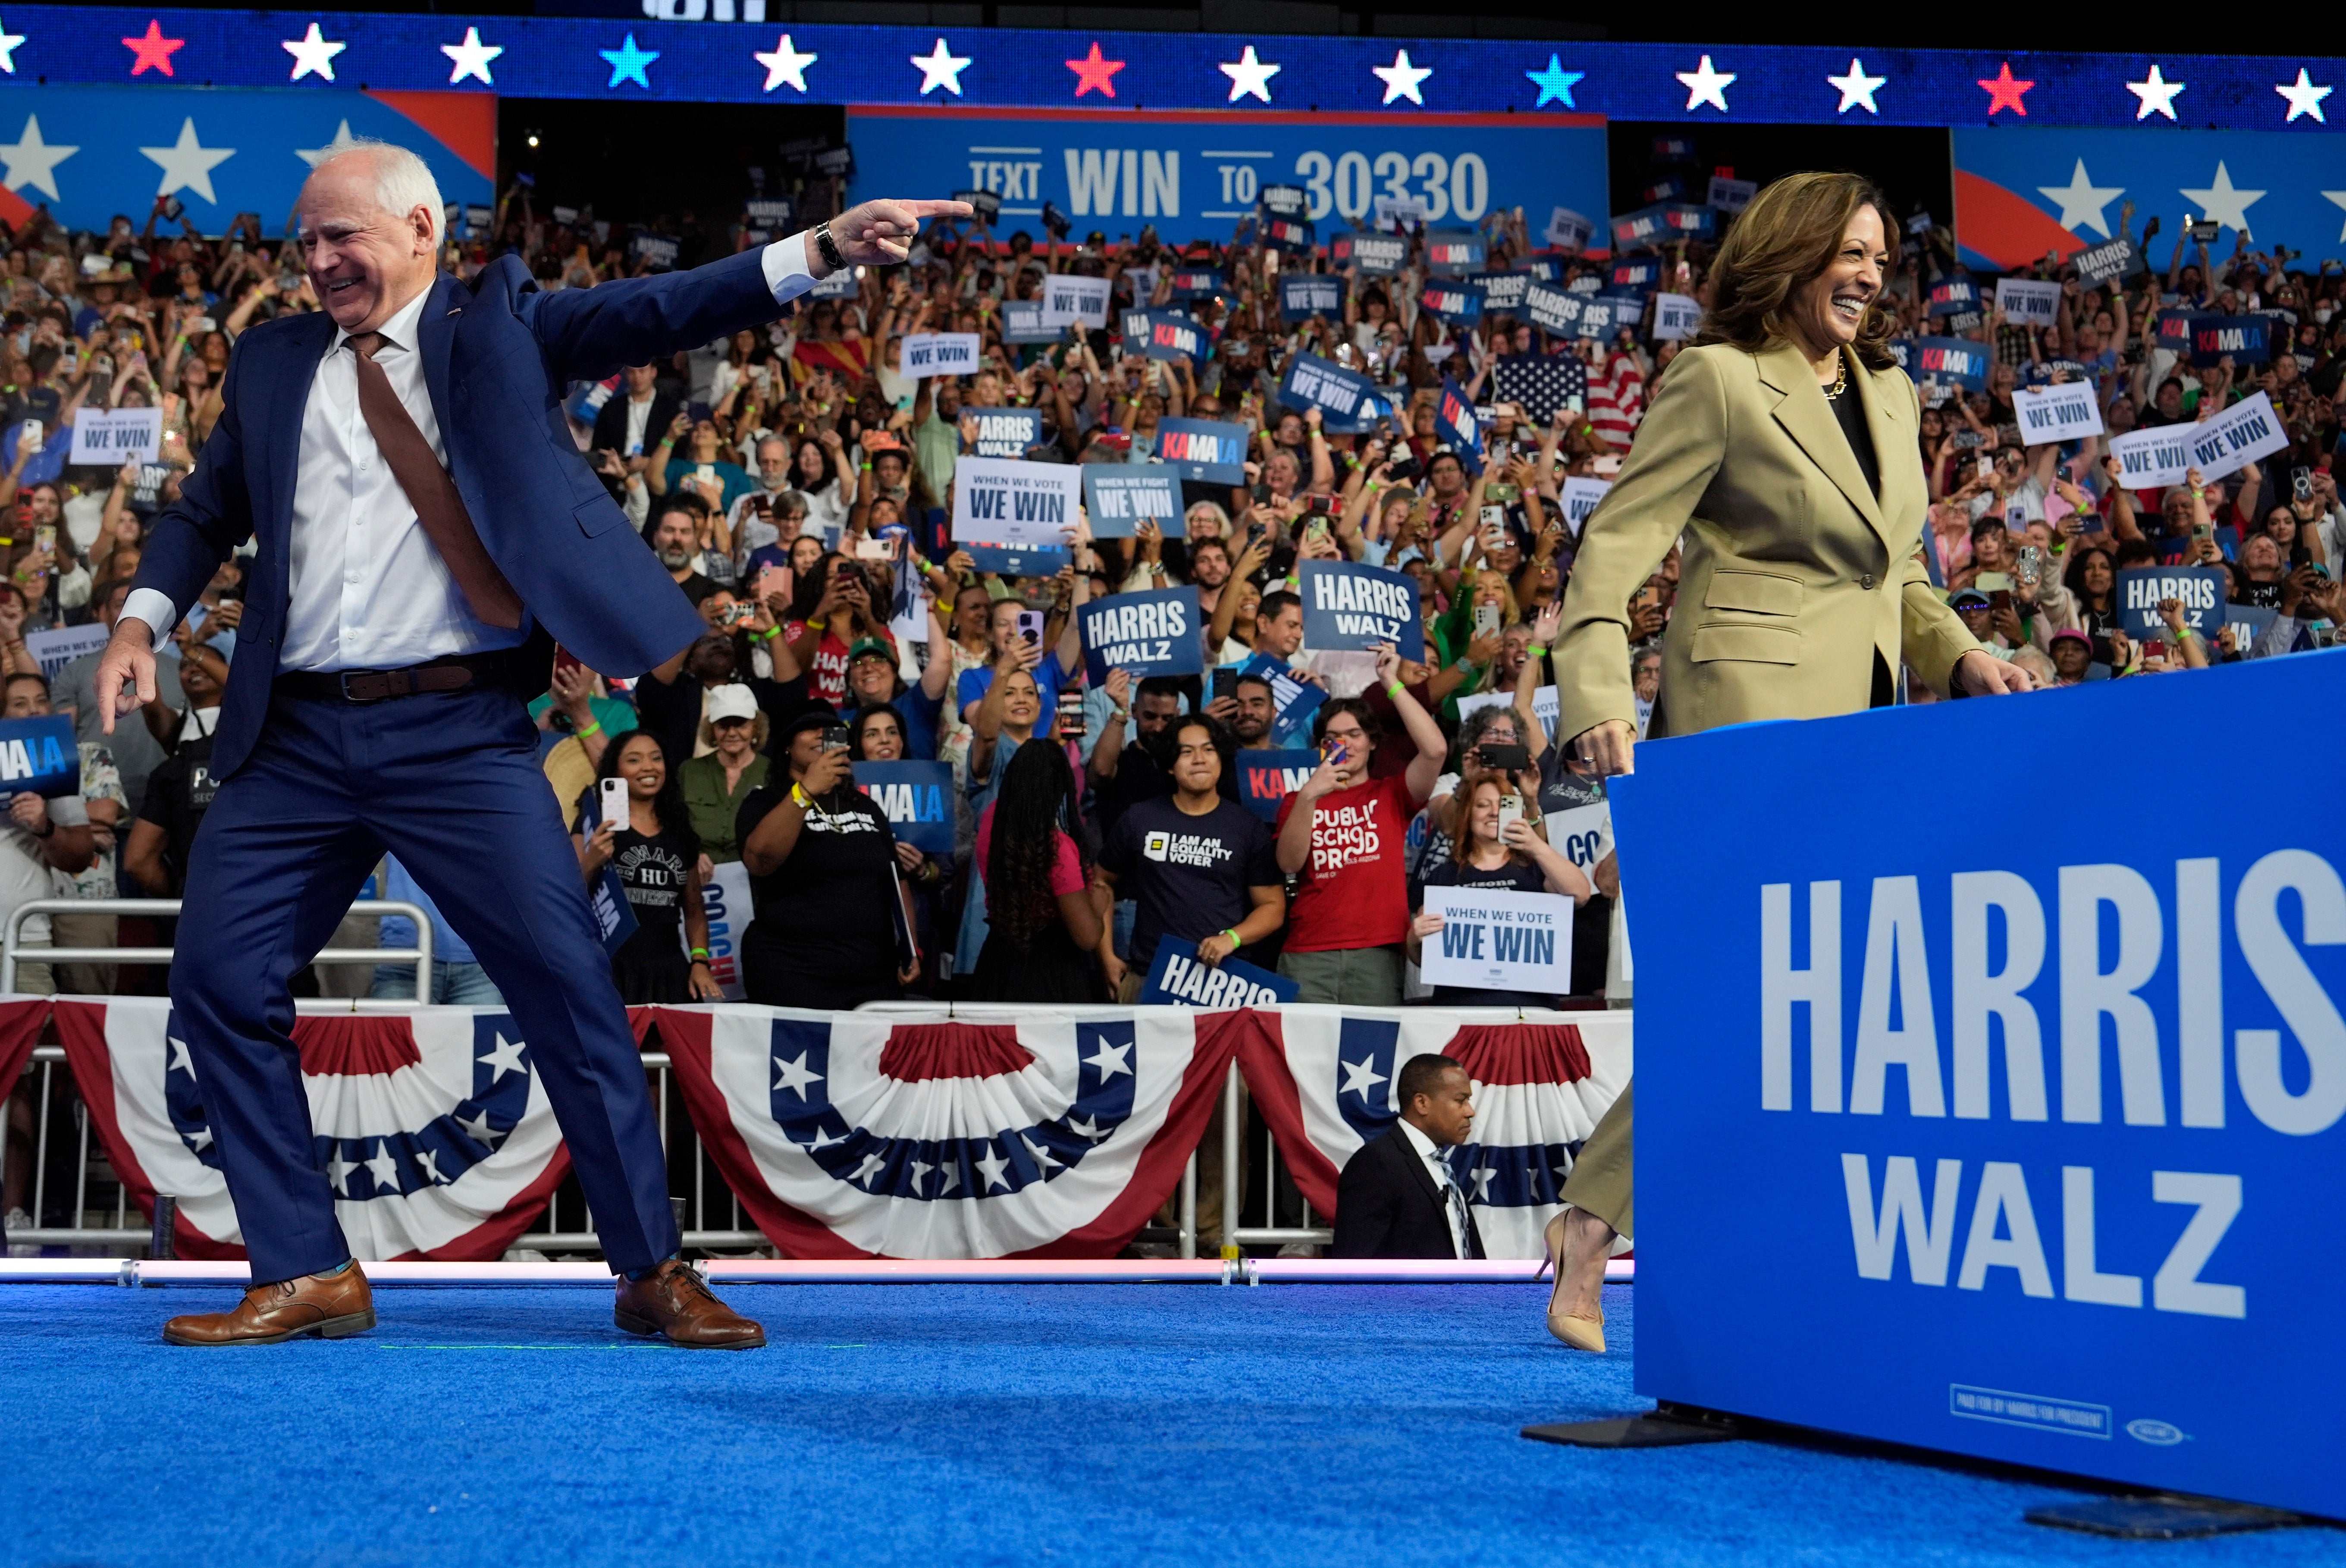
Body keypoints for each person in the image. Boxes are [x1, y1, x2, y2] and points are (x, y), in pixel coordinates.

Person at [96, 135, 963, 1348]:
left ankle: (651, 1269)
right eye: (305, 239)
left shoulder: (497, 325)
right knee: (218, 986)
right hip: (292, 742)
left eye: (344, 235)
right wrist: (143, 617)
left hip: (459, 735)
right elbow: (204, 512)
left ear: (419, 234)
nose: (320, 259)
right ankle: (305, 1266)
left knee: (566, 988)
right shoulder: (274, 358)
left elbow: (663, 306)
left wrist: (817, 248)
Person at [1545, 171, 2030, 1355]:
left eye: (1879, 254)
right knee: (1750, 997)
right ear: (1792, 255)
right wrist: (1599, 694)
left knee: (1814, 1014)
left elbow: (1897, 574)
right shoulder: (1718, 378)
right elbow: (1615, 548)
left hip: (1866, 736)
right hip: (1741, 714)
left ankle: (1618, 1228)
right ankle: (1599, 1224)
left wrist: (1967, 657)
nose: (1868, 272)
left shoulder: (1898, 395)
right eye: (1846, 251)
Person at [1271, 645, 1448, 1006]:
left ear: (1371, 743)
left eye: (1354, 734)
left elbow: (1435, 751)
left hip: (1378, 953)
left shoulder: (1391, 793)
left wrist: (1392, 684)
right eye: (1333, 738)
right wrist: (1309, 796)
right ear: (1321, 747)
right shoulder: (1298, 799)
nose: (1344, 744)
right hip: (1308, 953)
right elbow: (1289, 864)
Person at [737, 706, 916, 1009]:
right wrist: (805, 791)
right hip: (794, 971)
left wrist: (911, 950)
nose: (821, 733)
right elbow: (761, 860)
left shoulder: (866, 806)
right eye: (809, 728)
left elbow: (897, 882)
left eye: (830, 730)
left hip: (872, 974)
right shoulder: (765, 801)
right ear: (787, 747)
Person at [1096, 714, 1284, 1003]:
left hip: (1222, 982)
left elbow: (1273, 907)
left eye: (1209, 750)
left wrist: (1232, 938)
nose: (1200, 759)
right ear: (1171, 766)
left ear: (1221, 759)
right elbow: (1101, 883)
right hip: (1151, 977)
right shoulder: (1140, 818)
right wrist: (1107, 955)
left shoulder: (1247, 827)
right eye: (1187, 752)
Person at [1409, 775, 1593, 1010]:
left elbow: (1581, 894)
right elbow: (1424, 958)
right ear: (1468, 814)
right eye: (1483, 805)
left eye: (1505, 806)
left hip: (1528, 1010)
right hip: (1459, 1009)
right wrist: (1415, 938)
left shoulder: (1536, 869)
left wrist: (1536, 846)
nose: (1494, 813)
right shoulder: (1443, 875)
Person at [576, 732, 721, 1005]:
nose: (648, 767)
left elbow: (694, 912)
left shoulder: (680, 830)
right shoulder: (594, 821)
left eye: (656, 759)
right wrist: (591, 860)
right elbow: (569, 897)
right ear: (615, 770)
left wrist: (700, 961)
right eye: (634, 760)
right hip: (609, 967)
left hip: (670, 970)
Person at [968, 737, 1109, 1004]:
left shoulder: (992, 821)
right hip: (1051, 975)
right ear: (1060, 789)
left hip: (997, 966)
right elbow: (1087, 937)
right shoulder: (1057, 847)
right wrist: (1100, 904)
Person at [1330, 1053, 1484, 1260]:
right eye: (1461, 1100)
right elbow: (1357, 1265)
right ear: (1422, 1103)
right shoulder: (1375, 1165)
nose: (1470, 1112)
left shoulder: (1437, 1163)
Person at [0, 672, 96, 995]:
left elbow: (81, 855)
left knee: (25, 1043)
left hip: (20, 936)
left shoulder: (47, 757)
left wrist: (45, 827)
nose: (34, 709)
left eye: (42, 700)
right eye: (21, 703)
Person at [676, 684, 769, 865]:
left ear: (756, 727)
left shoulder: (773, 772)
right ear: (711, 729)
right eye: (723, 726)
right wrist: (692, 854)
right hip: (698, 877)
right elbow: (673, 823)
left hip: (757, 876)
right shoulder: (689, 770)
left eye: (741, 724)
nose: (732, 733)